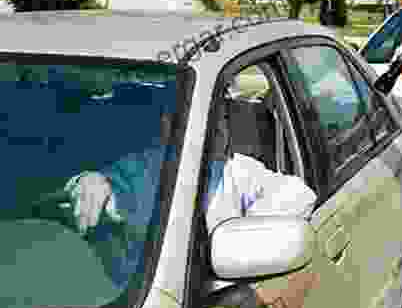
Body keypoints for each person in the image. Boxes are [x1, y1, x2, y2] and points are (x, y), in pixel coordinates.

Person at [65, 104, 317, 288]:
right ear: (167, 127)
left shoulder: (236, 169)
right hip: (140, 295)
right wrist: (89, 181)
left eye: (221, 123)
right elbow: (101, 189)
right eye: (205, 122)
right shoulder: (142, 167)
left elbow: (298, 193)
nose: (216, 131)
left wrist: (243, 234)